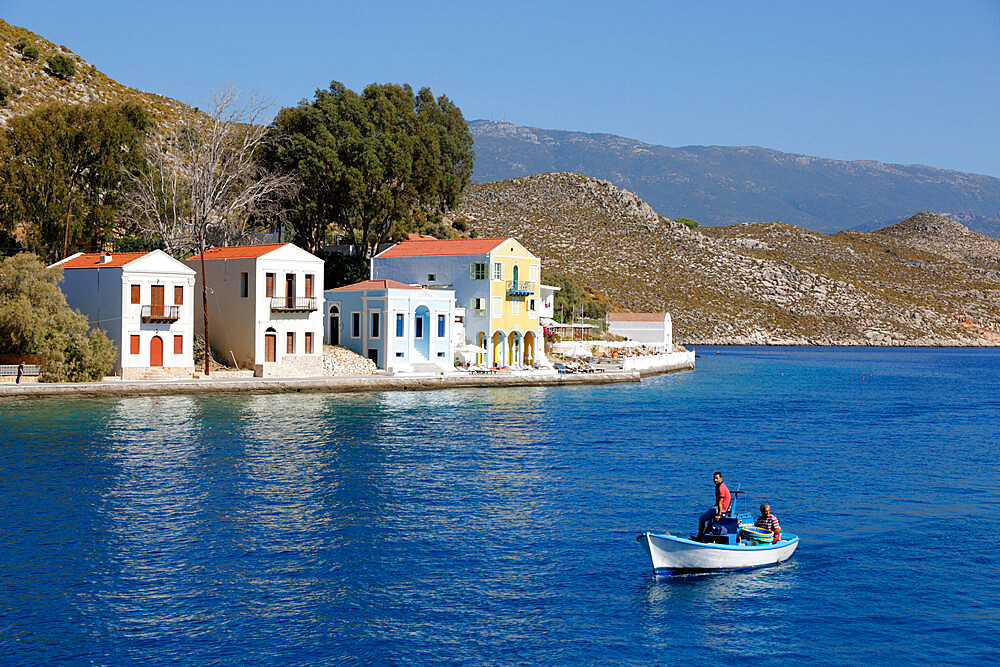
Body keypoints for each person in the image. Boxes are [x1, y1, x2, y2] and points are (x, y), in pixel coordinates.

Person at [696, 471, 732, 539]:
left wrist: (719, 514)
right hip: (719, 508)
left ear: (721, 478)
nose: (715, 480)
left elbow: (720, 502)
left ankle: (700, 536)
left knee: (701, 519)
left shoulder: (721, 488)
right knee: (709, 522)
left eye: (717, 478)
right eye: (714, 478)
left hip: (720, 509)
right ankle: (704, 536)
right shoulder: (719, 487)